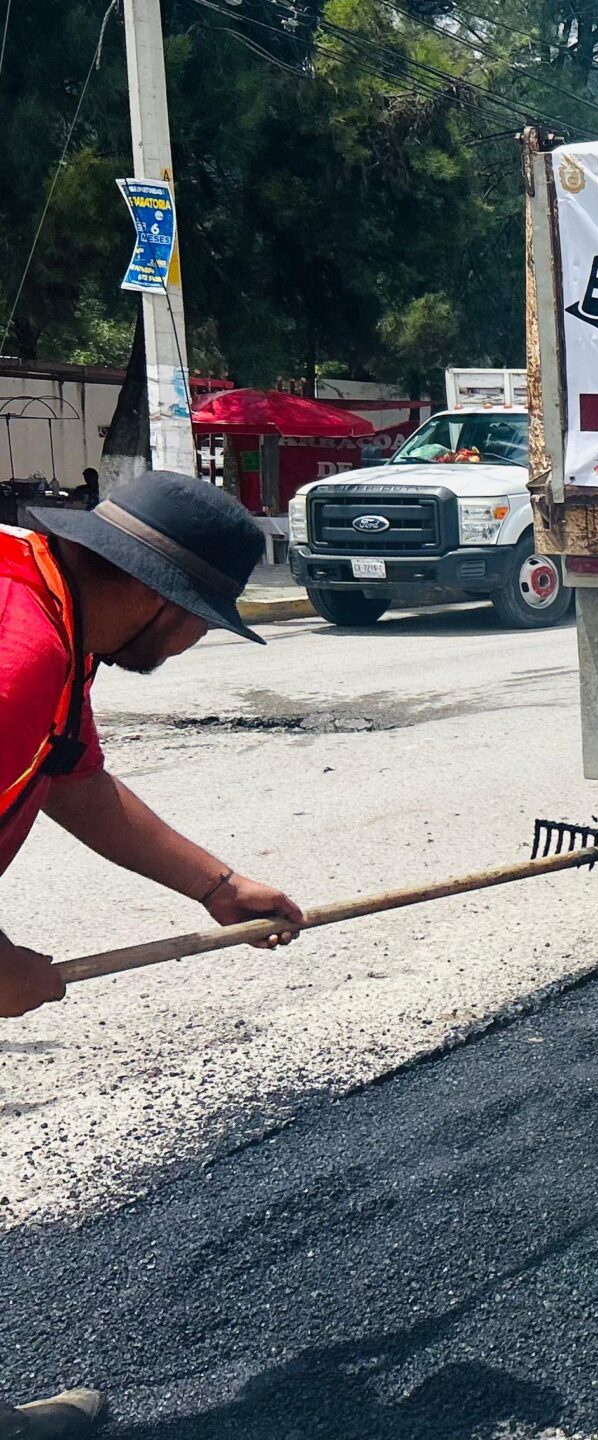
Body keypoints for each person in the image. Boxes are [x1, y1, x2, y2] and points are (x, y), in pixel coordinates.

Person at [0, 471, 309, 1436]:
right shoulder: (21, 647)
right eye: (199, 618)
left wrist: (216, 888)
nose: (195, 641)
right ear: (152, 589)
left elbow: (71, 779)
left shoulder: (56, 607)